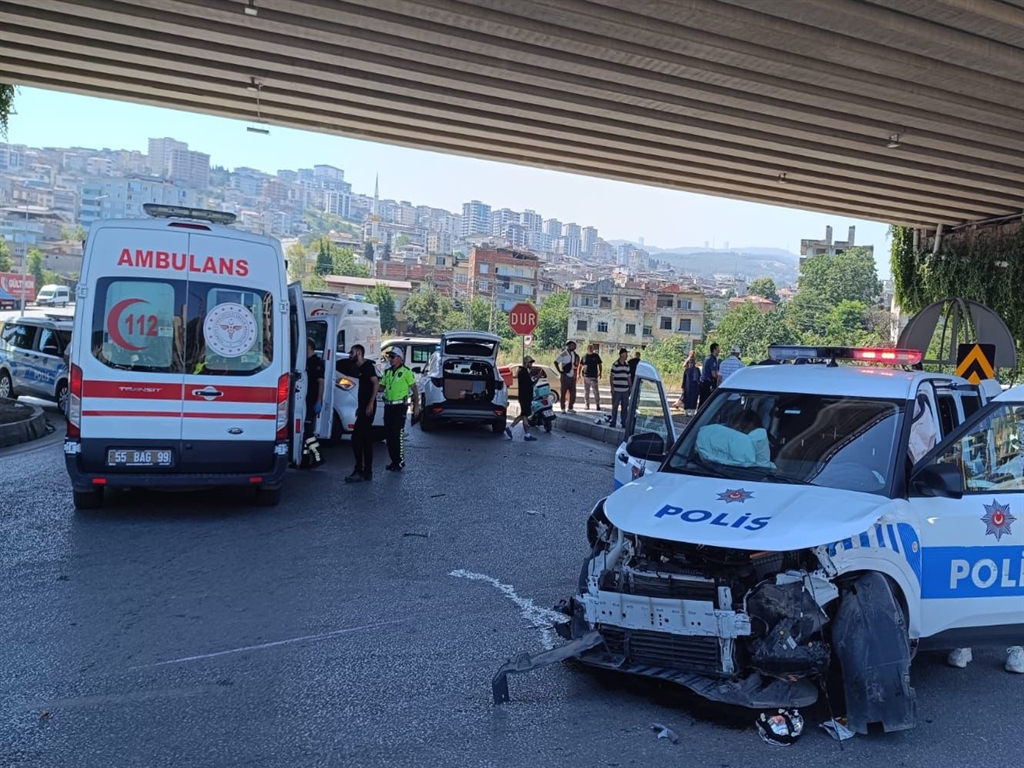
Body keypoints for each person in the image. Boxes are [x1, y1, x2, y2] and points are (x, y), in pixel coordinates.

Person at [379, 348, 420, 472]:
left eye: (393, 356)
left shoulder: (406, 372)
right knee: (389, 434)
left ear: (400, 358)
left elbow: (414, 389)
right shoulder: (387, 372)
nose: (390, 359)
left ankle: (400, 461)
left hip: (400, 407)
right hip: (389, 406)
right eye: (389, 357)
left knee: (398, 434)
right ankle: (393, 461)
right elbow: (381, 387)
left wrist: (416, 405)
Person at [344, 344, 379, 484]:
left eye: (352, 353)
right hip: (364, 407)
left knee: (356, 439)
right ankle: (366, 471)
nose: (350, 355)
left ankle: (359, 470)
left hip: (368, 408)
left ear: (358, 353)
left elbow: (375, 384)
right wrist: (361, 407)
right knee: (365, 439)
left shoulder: (368, 367)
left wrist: (370, 403)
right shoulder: (360, 369)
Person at [302, 338, 326, 469]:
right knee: (304, 431)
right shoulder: (304, 362)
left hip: (311, 401)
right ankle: (305, 460)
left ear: (309, 348)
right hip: (304, 400)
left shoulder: (317, 363)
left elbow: (321, 383)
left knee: (307, 432)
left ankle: (318, 456)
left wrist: (319, 400)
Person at [505, 356, 538, 442]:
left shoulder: (522, 371)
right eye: (530, 363)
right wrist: (538, 377)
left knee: (523, 415)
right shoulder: (523, 372)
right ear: (526, 363)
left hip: (524, 397)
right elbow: (530, 384)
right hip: (525, 397)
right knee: (525, 415)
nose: (531, 365)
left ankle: (512, 429)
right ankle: (525, 434)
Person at [554, 340, 580, 414]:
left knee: (573, 393)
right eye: (572, 345)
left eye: (574, 345)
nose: (573, 347)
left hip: (572, 376)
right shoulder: (564, 354)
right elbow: (556, 362)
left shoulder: (575, 355)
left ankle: (570, 407)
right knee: (563, 392)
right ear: (568, 346)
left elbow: (576, 365)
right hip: (565, 375)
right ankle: (563, 408)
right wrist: (559, 371)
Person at [609, 348, 631, 428]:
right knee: (615, 406)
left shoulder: (627, 365)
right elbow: (611, 377)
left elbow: (629, 377)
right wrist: (612, 388)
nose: (627, 356)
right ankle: (613, 421)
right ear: (621, 354)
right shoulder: (615, 365)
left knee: (625, 407)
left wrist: (630, 387)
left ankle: (623, 422)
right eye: (625, 354)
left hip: (625, 390)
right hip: (617, 390)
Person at [581, 344, 603, 410]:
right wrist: (578, 374)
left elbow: (600, 364)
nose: (590, 349)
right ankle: (587, 405)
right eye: (589, 348)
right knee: (586, 392)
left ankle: (598, 405)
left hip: (594, 376)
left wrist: (600, 372)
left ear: (593, 349)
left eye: (592, 348)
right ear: (587, 349)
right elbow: (580, 365)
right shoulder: (584, 356)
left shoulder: (596, 356)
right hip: (586, 376)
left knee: (596, 391)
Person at [698, 343, 720, 408]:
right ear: (714, 350)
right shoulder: (712, 360)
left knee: (702, 401)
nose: (719, 351)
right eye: (718, 349)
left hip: (702, 382)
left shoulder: (706, 358)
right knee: (707, 401)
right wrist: (719, 378)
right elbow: (713, 374)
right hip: (708, 383)